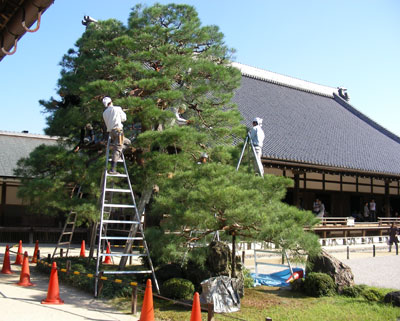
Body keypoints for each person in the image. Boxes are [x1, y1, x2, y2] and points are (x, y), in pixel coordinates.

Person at [102, 96, 130, 174]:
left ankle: (118, 154)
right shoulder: (117, 108)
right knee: (117, 149)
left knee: (127, 142)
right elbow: (124, 119)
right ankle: (112, 169)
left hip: (111, 133)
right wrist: (121, 111)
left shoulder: (104, 113)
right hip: (118, 132)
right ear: (111, 102)